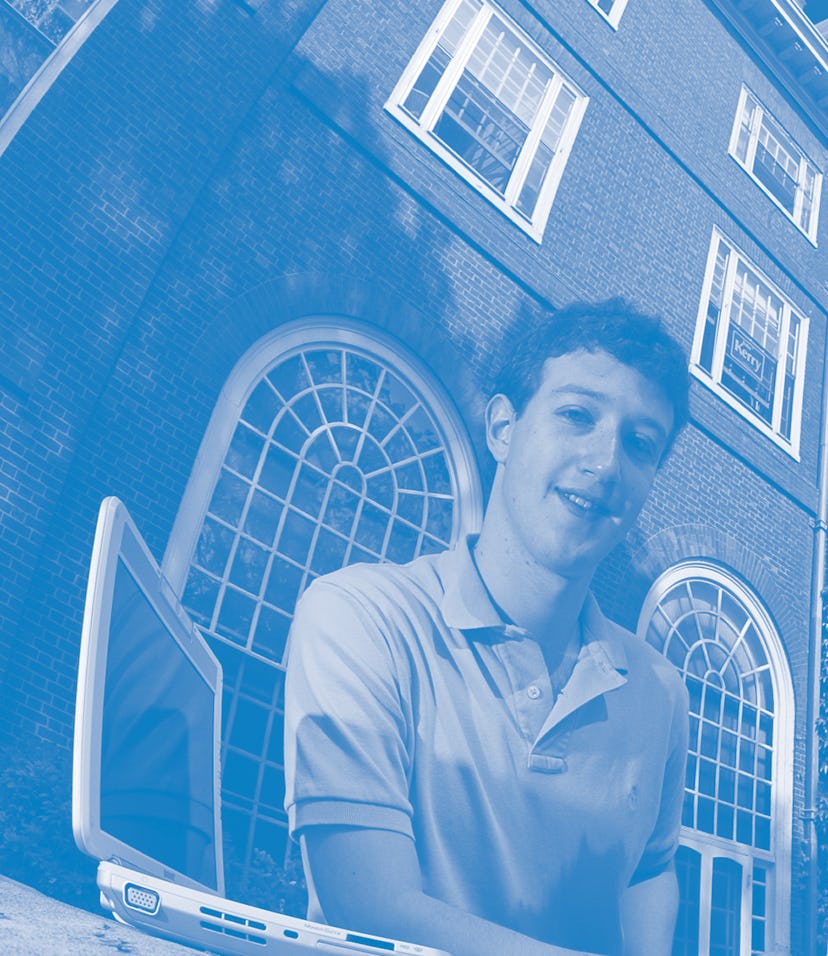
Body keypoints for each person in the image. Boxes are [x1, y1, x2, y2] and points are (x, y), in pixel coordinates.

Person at [283, 299, 691, 956]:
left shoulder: (662, 694)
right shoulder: (359, 617)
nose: (607, 462)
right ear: (502, 427)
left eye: (640, 444)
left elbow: (650, 869)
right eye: (577, 415)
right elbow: (371, 912)